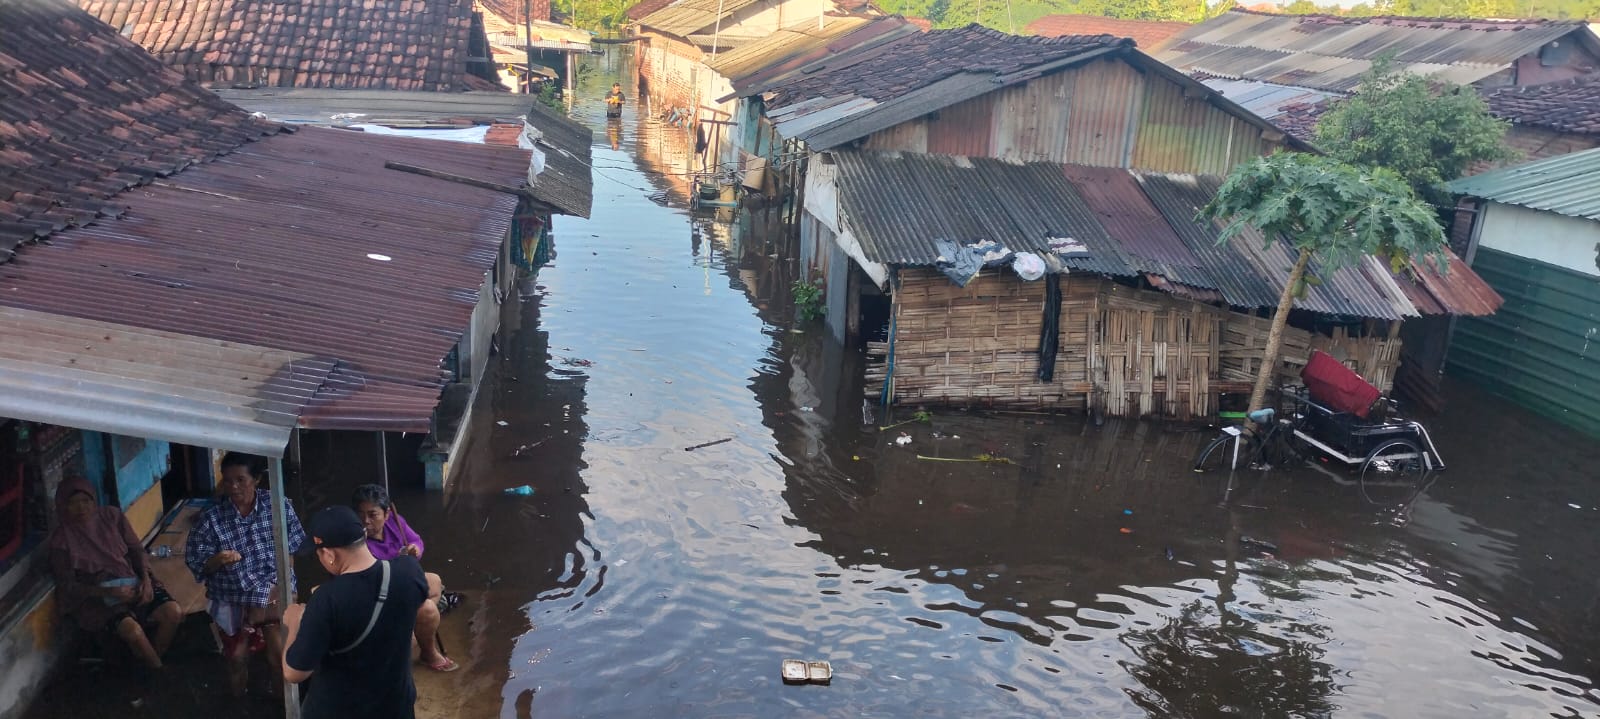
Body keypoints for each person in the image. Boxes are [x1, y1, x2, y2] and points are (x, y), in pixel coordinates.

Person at [284, 506, 429, 719]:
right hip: (396, 707)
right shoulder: (409, 570)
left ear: (329, 554)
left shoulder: (326, 600)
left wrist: (294, 623)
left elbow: (294, 672)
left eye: (318, 554)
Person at [185, 452, 305, 696]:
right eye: (228, 481)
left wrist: (281, 589)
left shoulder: (278, 506)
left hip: (271, 593)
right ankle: (239, 704)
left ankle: (282, 704)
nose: (234, 487)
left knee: (278, 655)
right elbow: (199, 566)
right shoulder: (211, 519)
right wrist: (218, 559)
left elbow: (291, 552)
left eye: (241, 480)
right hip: (232, 597)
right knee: (237, 659)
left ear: (257, 479)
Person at [49, 476, 181, 669]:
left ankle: (149, 662)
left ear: (94, 500)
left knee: (173, 613)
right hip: (98, 599)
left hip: (132, 581)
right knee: (133, 631)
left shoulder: (111, 517)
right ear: (63, 506)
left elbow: (136, 550)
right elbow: (68, 586)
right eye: (73, 504)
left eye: (86, 501)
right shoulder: (61, 540)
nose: (81, 508)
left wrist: (145, 579)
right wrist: (108, 592)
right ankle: (158, 672)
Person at [351, 484, 457, 672]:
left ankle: (410, 629)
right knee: (428, 609)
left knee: (435, 581)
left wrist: (415, 550)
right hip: (378, 594)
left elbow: (416, 541)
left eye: (372, 514)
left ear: (387, 514)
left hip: (402, 584)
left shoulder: (396, 523)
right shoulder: (355, 537)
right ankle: (427, 650)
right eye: (360, 514)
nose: (365, 521)